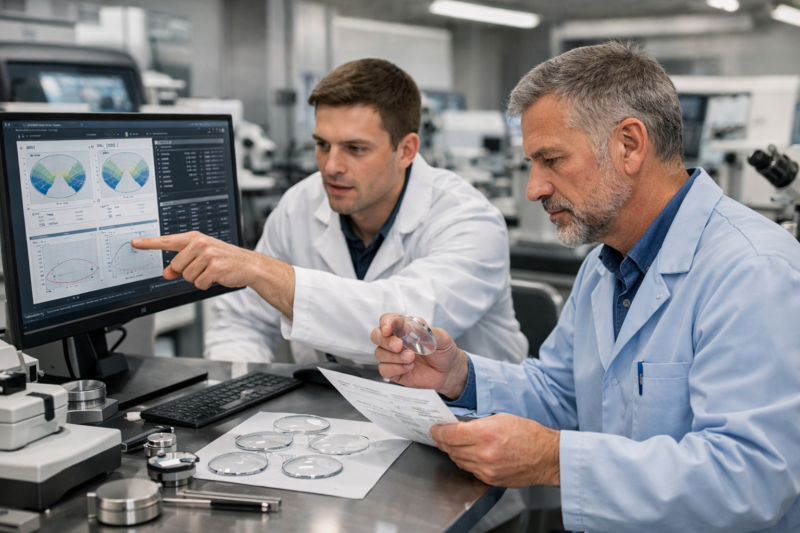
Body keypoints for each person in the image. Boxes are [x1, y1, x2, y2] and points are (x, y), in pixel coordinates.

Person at [371, 42, 800, 532]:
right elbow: (562, 395)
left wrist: (555, 460)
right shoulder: (604, 264)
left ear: (629, 145)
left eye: (552, 159)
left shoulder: (754, 271)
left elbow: (749, 480)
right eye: (532, 164)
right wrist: (459, 377)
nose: (534, 188)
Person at [132, 58, 527, 365]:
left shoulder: (469, 220)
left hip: (465, 423)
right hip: (336, 422)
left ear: (406, 150)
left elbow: (403, 325)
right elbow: (242, 319)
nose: (331, 166)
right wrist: (241, 393)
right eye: (322, 145)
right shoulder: (300, 205)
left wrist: (261, 270)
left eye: (355, 148)